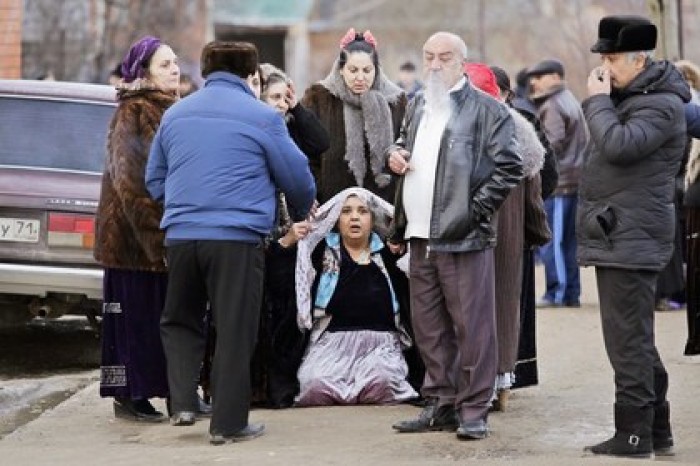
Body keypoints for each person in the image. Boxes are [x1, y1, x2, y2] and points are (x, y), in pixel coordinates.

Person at [145, 40, 316, 445]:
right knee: (235, 328)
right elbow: (298, 179)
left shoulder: (176, 114)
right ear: (250, 74)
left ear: (207, 70)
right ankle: (228, 422)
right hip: (236, 240)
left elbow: (154, 179)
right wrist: (300, 204)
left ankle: (183, 402)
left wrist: (187, 207)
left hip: (183, 236)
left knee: (180, 319)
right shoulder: (262, 118)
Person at [389, 32, 522, 440]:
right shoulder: (417, 105)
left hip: (463, 236)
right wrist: (396, 154)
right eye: (428, 56)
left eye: (443, 57)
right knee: (428, 327)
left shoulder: (487, 111)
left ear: (462, 62)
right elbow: (403, 146)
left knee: (473, 327)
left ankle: (474, 409)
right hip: (418, 233)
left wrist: (472, 212)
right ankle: (441, 402)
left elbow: (509, 168)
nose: (433, 65)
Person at [578, 15, 690, 458]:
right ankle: (655, 431)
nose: (605, 67)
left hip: (632, 236)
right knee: (633, 339)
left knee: (627, 342)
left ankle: (634, 435)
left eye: (611, 58)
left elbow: (619, 146)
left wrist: (598, 103)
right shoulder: (635, 96)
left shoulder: (661, 104)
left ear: (639, 59)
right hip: (621, 234)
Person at [94, 36, 180, 422]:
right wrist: (156, 238)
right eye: (165, 65)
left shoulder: (167, 109)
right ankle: (131, 396)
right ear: (143, 72)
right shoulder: (134, 111)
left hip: (155, 237)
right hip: (132, 242)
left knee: (158, 319)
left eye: (176, 63)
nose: (175, 69)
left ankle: (160, 391)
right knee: (135, 321)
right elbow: (131, 183)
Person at [290, 188, 418, 406]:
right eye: (347, 211)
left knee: (384, 381)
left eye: (362, 211)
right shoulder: (321, 252)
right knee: (314, 385)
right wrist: (288, 241)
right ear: (337, 219)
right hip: (332, 345)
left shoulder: (388, 254)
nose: (355, 217)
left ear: (373, 218)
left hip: (380, 347)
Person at [254, 62, 329, 408]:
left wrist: (296, 107)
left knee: (294, 313)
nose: (281, 103)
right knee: (267, 314)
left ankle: (287, 384)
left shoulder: (293, 128)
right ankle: (267, 387)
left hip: (301, 235)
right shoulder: (256, 130)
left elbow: (321, 141)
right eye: (274, 97)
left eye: (285, 97)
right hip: (272, 236)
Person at [490, 66, 557, 392]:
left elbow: (550, 175)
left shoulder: (525, 123)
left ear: (507, 94)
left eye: (497, 91)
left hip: (516, 230)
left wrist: (521, 211)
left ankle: (515, 373)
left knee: (515, 303)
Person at [301, 27, 406, 203]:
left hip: (383, 205)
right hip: (331, 203)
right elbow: (304, 153)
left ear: (376, 69)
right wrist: (318, 190)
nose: (360, 77)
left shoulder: (396, 101)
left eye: (367, 70)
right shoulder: (318, 98)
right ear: (341, 69)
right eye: (353, 70)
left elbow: (405, 145)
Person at [528, 58, 590, 308]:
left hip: (561, 182)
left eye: (539, 76)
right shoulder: (568, 98)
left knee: (554, 242)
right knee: (567, 242)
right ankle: (569, 291)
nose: (534, 81)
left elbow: (551, 144)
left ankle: (559, 292)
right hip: (572, 180)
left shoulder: (553, 104)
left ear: (554, 76)